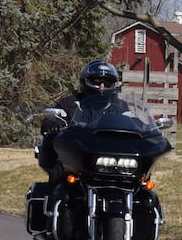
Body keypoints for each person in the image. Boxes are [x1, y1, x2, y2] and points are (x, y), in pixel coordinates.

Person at [38, 59, 121, 195]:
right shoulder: (69, 103)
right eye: (96, 81)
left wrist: (147, 128)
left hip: (110, 162)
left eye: (106, 82)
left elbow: (134, 122)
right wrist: (52, 123)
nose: (101, 86)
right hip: (75, 158)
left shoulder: (120, 106)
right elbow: (52, 119)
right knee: (58, 179)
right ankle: (56, 206)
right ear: (84, 82)